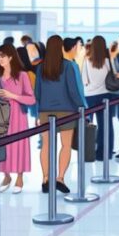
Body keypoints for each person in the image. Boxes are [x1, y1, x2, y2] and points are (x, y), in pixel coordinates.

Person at [36, 35, 84, 192]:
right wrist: (82, 107)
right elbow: (73, 91)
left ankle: (45, 179)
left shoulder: (40, 67)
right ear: (61, 47)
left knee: (46, 146)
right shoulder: (69, 66)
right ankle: (60, 178)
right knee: (66, 145)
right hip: (66, 111)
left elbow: (37, 93)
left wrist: (38, 113)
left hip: (44, 111)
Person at [0, 44, 35, 194]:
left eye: (3, 56)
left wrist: (12, 96)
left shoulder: (22, 76)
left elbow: (31, 99)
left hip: (18, 117)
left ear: (11, 57)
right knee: (2, 146)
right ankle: (6, 176)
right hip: (1, 117)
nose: (0, 59)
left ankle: (19, 177)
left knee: (19, 145)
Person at [83, 36, 115, 161]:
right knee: (106, 125)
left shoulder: (87, 61)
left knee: (87, 125)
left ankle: (88, 153)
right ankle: (105, 153)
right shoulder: (107, 61)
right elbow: (114, 76)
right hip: (105, 95)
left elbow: (84, 81)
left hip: (89, 96)